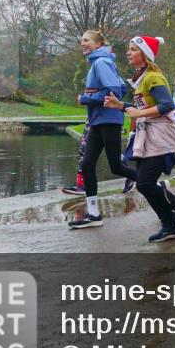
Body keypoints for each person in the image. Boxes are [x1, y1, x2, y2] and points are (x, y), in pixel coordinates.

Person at [103, 35, 175, 242]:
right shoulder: (142, 78)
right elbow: (142, 108)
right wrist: (121, 106)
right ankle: (170, 224)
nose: (128, 52)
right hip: (148, 137)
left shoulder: (154, 77)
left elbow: (167, 105)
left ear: (145, 55)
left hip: (160, 137)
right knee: (144, 184)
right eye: (129, 48)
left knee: (144, 183)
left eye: (133, 49)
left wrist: (138, 114)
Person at [68, 30, 136, 229]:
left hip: (109, 120)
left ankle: (153, 184)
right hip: (98, 120)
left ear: (98, 44)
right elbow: (122, 87)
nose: (83, 43)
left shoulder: (101, 62)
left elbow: (114, 91)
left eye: (86, 40)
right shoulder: (99, 62)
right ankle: (94, 214)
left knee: (116, 166)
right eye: (81, 40)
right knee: (88, 164)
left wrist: (86, 99)